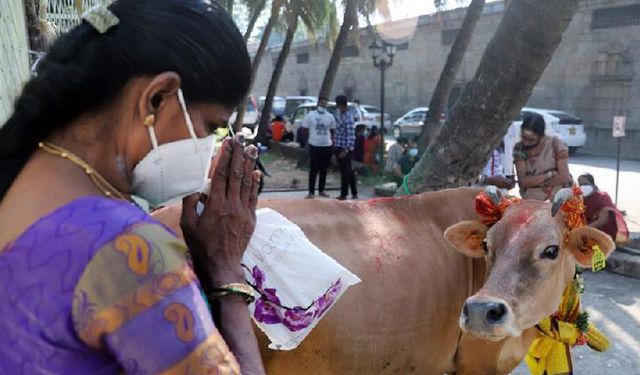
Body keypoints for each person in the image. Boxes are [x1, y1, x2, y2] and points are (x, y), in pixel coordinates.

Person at [0, 2, 264, 374]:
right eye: (210, 126)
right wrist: (224, 269)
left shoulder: (18, 171)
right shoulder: (127, 249)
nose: (208, 146)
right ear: (156, 97)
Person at [513, 113, 572, 200]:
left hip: (558, 202)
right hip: (531, 203)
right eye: (524, 137)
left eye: (531, 140)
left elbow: (564, 177)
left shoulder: (556, 145)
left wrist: (534, 182)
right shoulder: (519, 149)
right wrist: (549, 175)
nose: (526, 142)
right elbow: (523, 182)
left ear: (541, 136)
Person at [578, 173, 629, 243]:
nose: (583, 187)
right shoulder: (582, 198)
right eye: (580, 185)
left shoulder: (602, 197)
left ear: (593, 185)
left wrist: (584, 230)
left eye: (585, 184)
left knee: (586, 244)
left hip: (606, 231)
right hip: (591, 230)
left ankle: (598, 252)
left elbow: (603, 220)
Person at [301, 96, 336, 199]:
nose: (323, 105)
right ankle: (311, 192)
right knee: (313, 169)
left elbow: (333, 129)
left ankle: (321, 190)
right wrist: (311, 137)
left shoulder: (330, 116)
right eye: (321, 103)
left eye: (325, 103)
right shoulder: (311, 116)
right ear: (318, 104)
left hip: (326, 146)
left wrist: (329, 140)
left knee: (324, 169)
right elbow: (304, 129)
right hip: (314, 146)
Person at [334, 95, 357, 200]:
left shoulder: (348, 117)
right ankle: (354, 191)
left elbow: (351, 135)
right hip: (338, 145)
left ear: (341, 105)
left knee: (345, 172)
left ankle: (344, 194)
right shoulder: (340, 115)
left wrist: (346, 150)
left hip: (344, 148)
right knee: (348, 171)